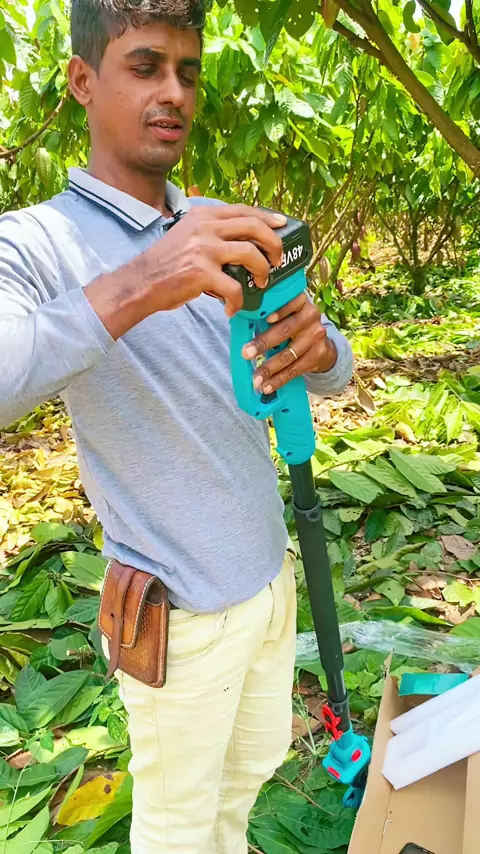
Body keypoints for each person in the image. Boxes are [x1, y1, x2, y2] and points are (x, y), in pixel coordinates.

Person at [0, 1, 354, 851]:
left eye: (188, 73)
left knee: (247, 780)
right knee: (177, 825)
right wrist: (147, 277)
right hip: (180, 607)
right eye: (145, 66)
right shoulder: (38, 241)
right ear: (83, 80)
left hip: (267, 577)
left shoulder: (221, 222)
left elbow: (334, 369)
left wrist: (319, 346)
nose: (174, 93)